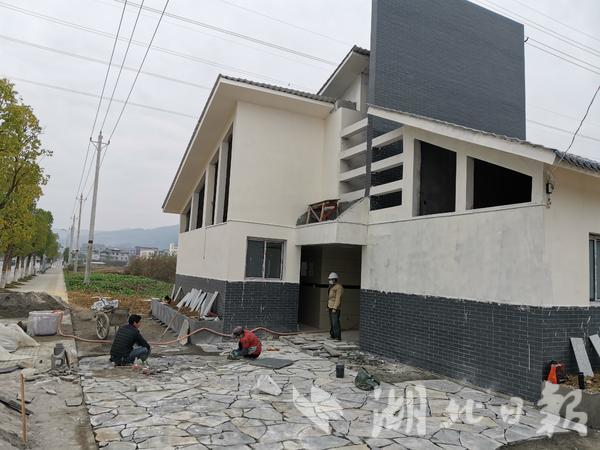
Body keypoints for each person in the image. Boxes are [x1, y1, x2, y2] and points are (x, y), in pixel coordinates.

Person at [327, 272, 344, 341]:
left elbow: (338, 298)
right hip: (330, 306)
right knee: (331, 322)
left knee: (335, 322)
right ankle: (332, 335)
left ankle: (337, 337)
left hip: (335, 308)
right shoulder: (331, 287)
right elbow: (329, 297)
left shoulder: (339, 287)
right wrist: (327, 306)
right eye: (329, 279)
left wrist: (335, 308)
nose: (330, 281)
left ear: (335, 279)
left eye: (331, 279)